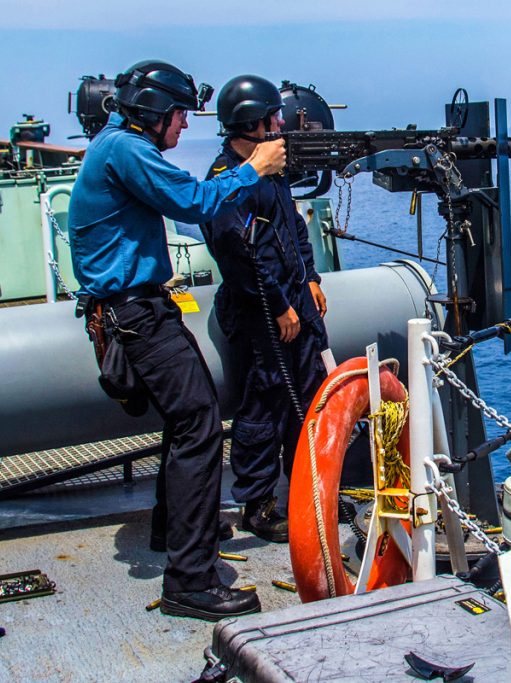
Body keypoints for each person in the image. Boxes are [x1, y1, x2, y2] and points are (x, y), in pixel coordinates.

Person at [66, 60, 286, 621]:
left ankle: (174, 529)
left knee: (191, 419)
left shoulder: (115, 146)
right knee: (199, 425)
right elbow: (193, 202)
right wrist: (254, 168)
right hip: (134, 314)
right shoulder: (126, 150)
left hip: (140, 310)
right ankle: (189, 581)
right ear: (153, 112)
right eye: (180, 115)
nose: (186, 127)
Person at [202, 75, 329, 543]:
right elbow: (237, 254)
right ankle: (259, 505)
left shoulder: (265, 169)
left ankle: (306, 493)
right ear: (252, 123)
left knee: (308, 400)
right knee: (265, 405)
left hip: (294, 299)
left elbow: (291, 225)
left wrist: (311, 277)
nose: (280, 122)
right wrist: (277, 305)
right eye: (273, 116)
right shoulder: (226, 180)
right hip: (261, 310)